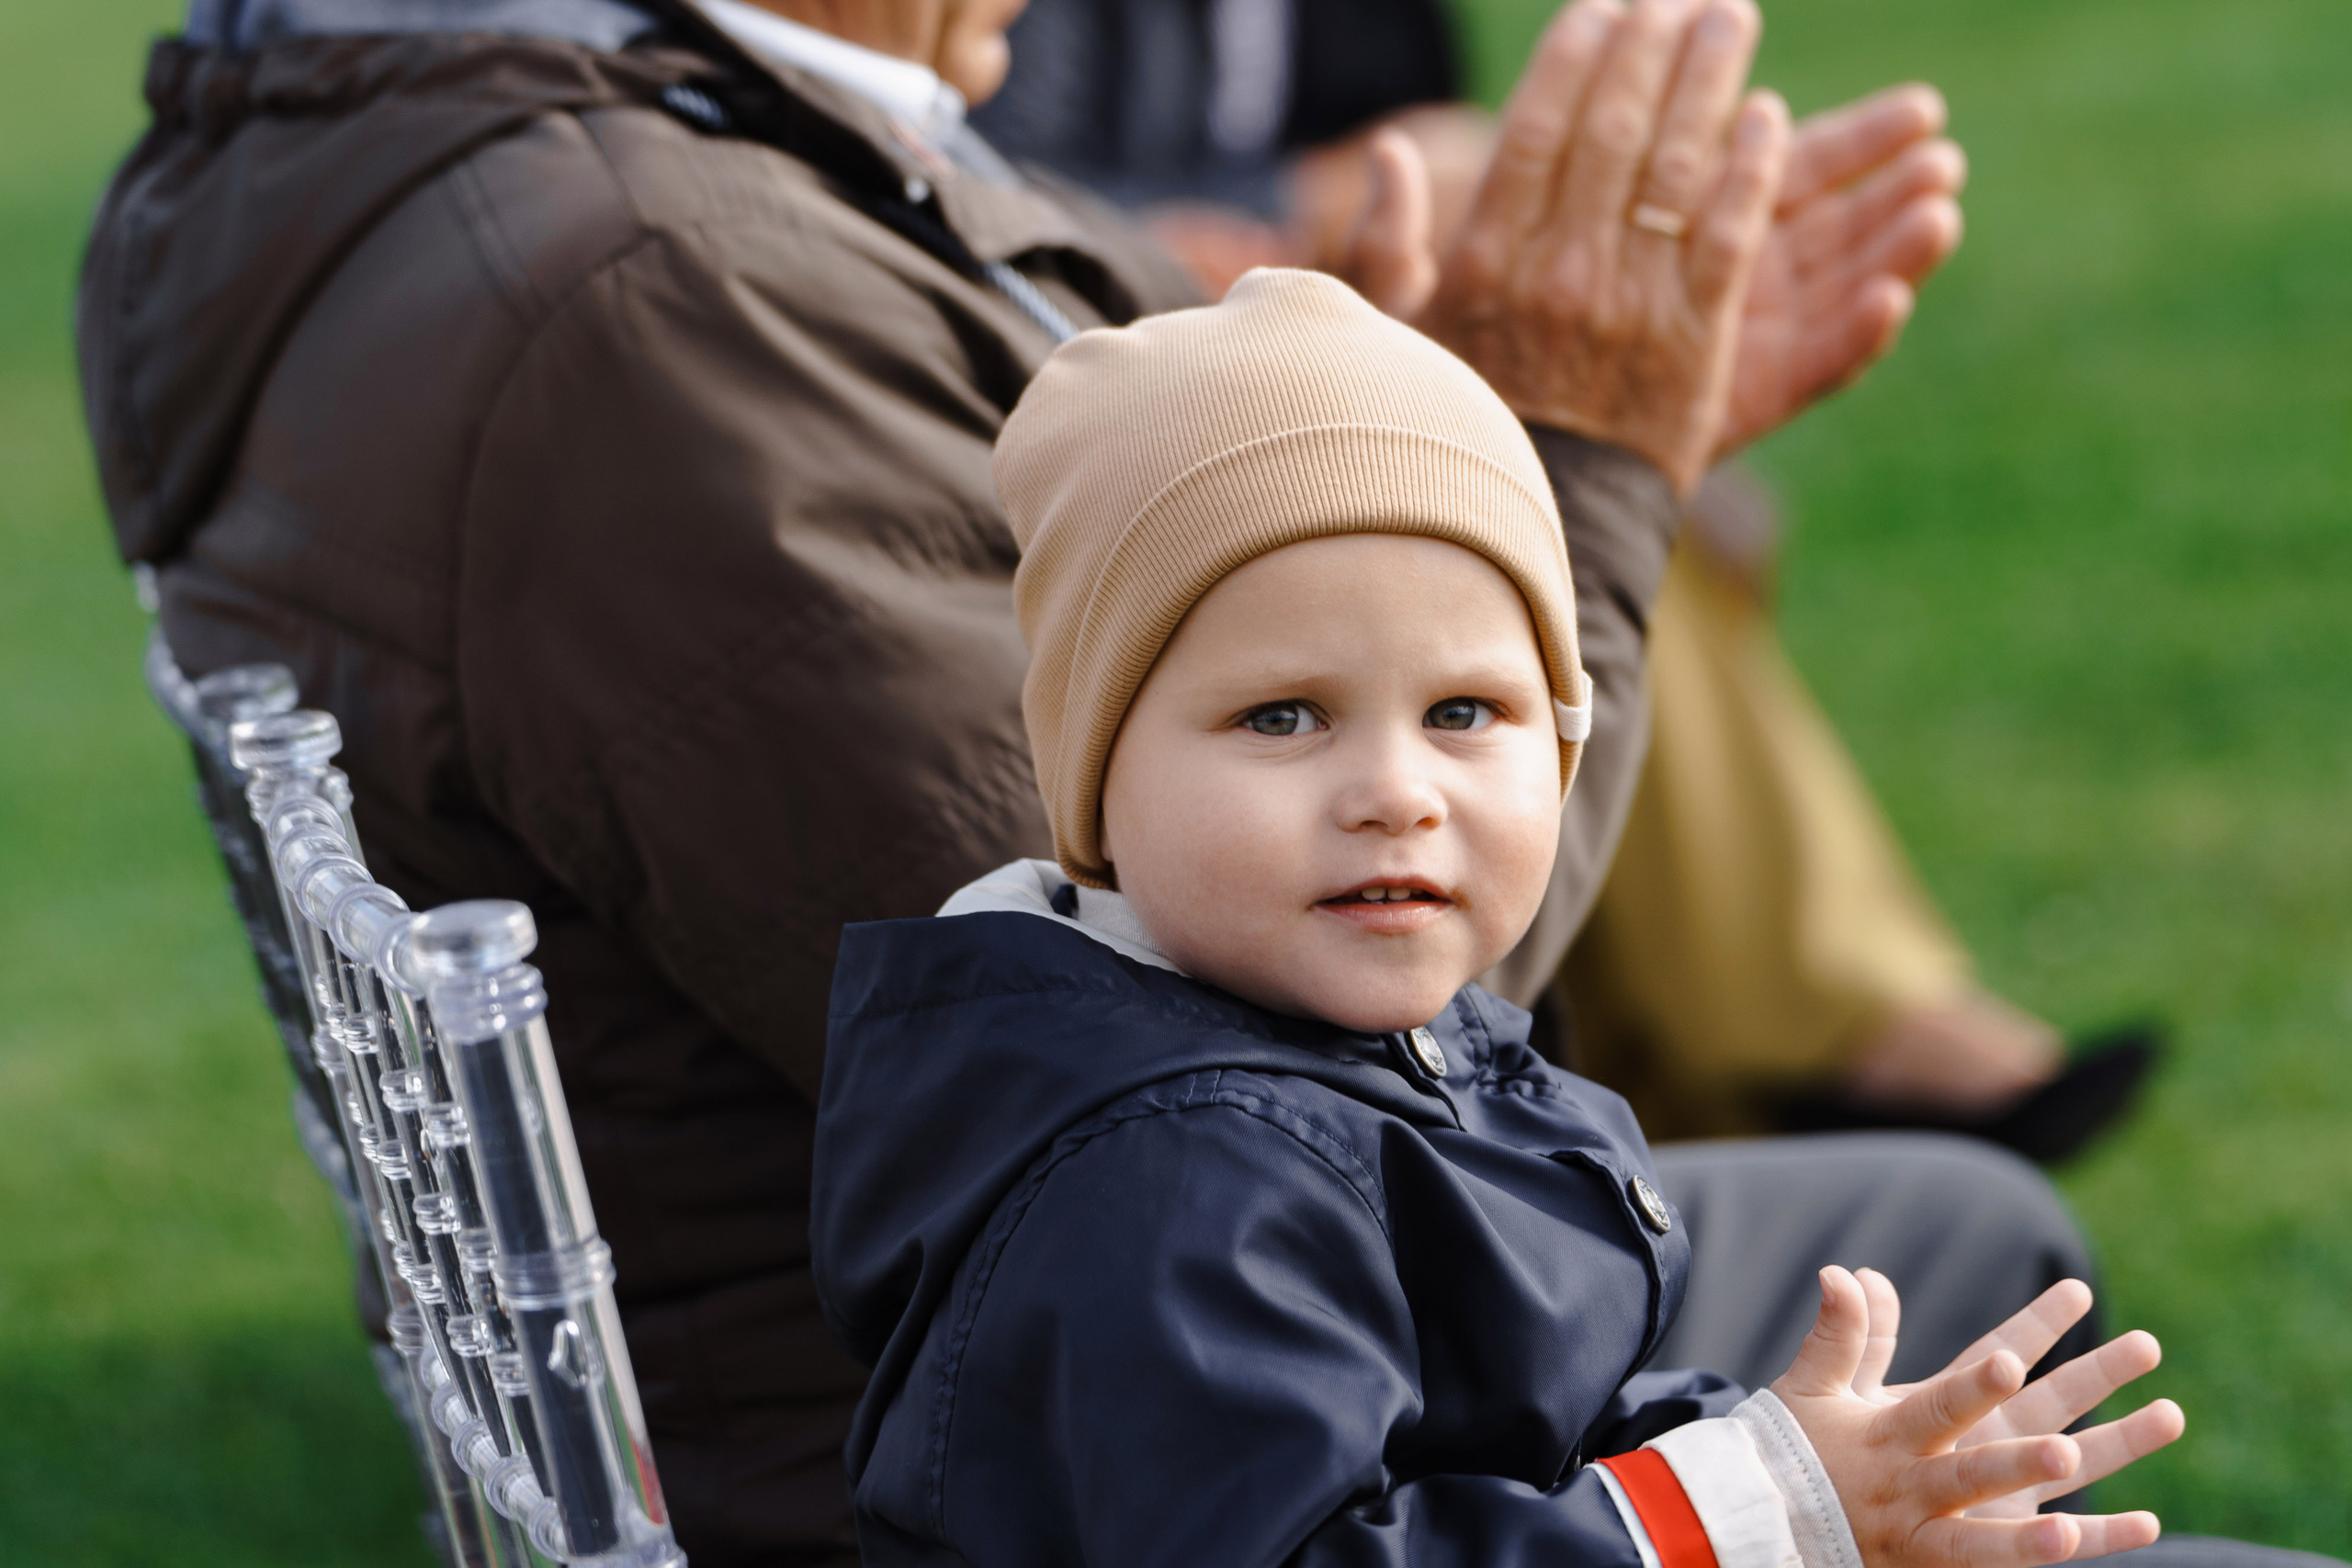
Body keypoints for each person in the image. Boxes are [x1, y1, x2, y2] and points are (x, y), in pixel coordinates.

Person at [76, 0, 2132, 1559]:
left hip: (991, 1372)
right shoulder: (650, 289)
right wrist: (1569, 458)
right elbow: (1254, 1017)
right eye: (1295, 715)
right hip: (1046, 1425)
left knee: (1946, 1246)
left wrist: (1378, 477)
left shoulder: (513, 173)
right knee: (1967, 1245)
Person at [813, 267, 2214, 1568]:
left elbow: (1536, 1412)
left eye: (1464, 711)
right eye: (1281, 714)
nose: (1394, 791)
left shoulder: (1387, 1048)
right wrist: (1742, 1504)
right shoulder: (1158, 1180)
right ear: (1096, 778)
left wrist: (1818, 1455)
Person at [974, 0, 2156, 1156]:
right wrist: (1297, 216)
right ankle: (1824, 1034)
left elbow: (1405, 120)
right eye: (1277, 721)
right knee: (1542, 492)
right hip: (1160, 402)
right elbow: (977, 174)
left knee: (1582, 492)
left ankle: (1808, 1040)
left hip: (1336, 347)